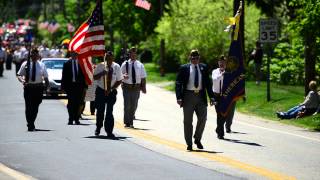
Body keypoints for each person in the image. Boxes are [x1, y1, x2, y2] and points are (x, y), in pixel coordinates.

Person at [175, 49, 214, 151]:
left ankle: (197, 138)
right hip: (188, 96)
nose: (195, 60)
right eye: (193, 58)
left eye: (196, 58)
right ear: (190, 58)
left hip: (201, 95)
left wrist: (212, 97)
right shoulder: (184, 68)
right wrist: (179, 97)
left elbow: (208, 83)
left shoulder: (203, 67)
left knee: (203, 118)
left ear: (199, 58)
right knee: (188, 121)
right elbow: (178, 83)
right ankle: (189, 143)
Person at [17, 48, 49, 131]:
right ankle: (30, 124)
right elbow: (19, 75)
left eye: (35, 55)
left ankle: (31, 122)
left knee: (35, 107)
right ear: (30, 55)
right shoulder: (25, 64)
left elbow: (45, 77)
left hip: (38, 88)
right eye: (32, 55)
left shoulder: (42, 65)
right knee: (28, 107)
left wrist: (47, 87)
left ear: (38, 56)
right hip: (29, 87)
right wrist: (23, 81)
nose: (34, 56)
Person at [93, 51, 123, 137]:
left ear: (113, 59)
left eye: (110, 59)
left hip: (111, 92)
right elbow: (94, 77)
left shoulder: (116, 67)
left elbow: (119, 80)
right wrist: (102, 73)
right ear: (105, 58)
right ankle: (98, 127)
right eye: (107, 58)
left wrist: (111, 89)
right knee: (100, 110)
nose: (109, 60)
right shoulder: (100, 66)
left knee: (109, 111)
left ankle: (109, 131)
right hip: (101, 91)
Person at [120, 47, 147, 128]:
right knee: (127, 105)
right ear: (130, 54)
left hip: (136, 87)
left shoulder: (140, 65)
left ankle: (131, 121)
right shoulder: (125, 64)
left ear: (136, 55)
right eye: (132, 53)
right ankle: (127, 122)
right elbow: (119, 75)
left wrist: (144, 87)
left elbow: (143, 77)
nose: (133, 55)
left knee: (134, 105)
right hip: (126, 87)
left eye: (135, 54)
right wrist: (123, 76)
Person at [61, 51, 87, 125]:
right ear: (71, 54)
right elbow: (64, 76)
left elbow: (84, 75)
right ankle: (70, 118)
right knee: (71, 103)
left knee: (78, 103)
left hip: (79, 87)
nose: (74, 55)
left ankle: (76, 119)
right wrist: (63, 87)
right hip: (70, 86)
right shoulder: (67, 64)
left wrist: (85, 86)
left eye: (76, 54)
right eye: (73, 54)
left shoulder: (81, 64)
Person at [212, 55, 228, 139]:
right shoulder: (215, 71)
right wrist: (222, 74)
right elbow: (215, 80)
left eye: (223, 62)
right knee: (219, 114)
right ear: (218, 63)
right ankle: (220, 133)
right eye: (220, 62)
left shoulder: (229, 73)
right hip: (216, 96)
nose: (221, 64)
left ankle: (218, 128)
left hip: (225, 96)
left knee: (225, 115)